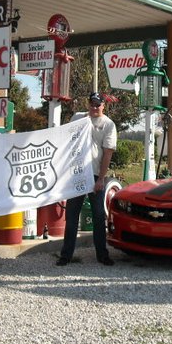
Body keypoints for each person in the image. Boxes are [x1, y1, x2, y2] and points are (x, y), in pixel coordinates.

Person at [58, 92, 117, 266]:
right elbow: (65, 140)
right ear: (88, 104)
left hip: (95, 175)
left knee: (98, 216)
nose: (94, 107)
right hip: (76, 173)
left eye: (98, 104)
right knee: (71, 216)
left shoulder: (108, 124)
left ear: (103, 106)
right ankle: (66, 255)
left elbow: (107, 153)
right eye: (92, 104)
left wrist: (101, 179)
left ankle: (102, 255)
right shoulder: (77, 118)